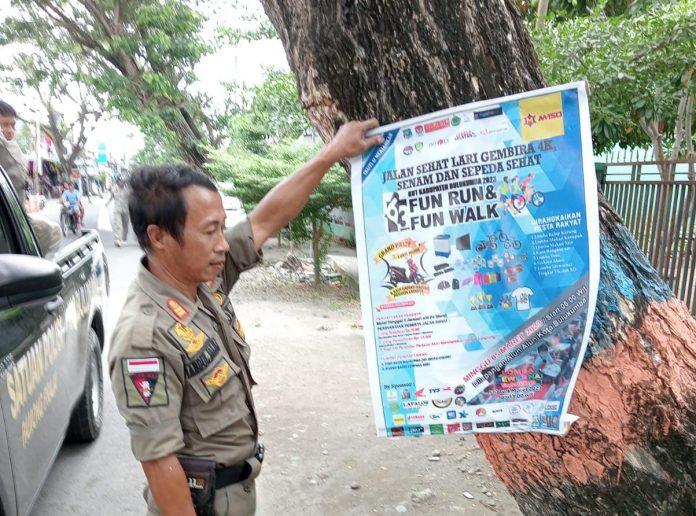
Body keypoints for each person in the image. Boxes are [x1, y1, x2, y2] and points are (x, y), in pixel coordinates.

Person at [108, 119, 382, 516]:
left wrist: (330, 154)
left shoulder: (204, 277)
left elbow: (267, 219)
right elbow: (158, 461)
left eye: (222, 228)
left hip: (235, 491)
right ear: (159, 237)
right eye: (209, 231)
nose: (223, 244)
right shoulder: (144, 336)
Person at [0, 100, 62, 257]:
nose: (10, 130)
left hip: (14, 216)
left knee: (52, 232)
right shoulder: (6, 147)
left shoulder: (12, 146)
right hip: (8, 222)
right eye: (4, 125)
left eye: (13, 125)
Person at [106, 176, 131, 246]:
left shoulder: (127, 189)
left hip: (126, 210)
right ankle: (118, 239)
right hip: (117, 209)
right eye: (120, 181)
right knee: (118, 224)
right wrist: (107, 203)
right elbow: (111, 197)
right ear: (117, 182)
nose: (122, 183)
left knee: (125, 225)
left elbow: (132, 198)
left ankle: (124, 238)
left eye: (123, 181)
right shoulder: (114, 189)